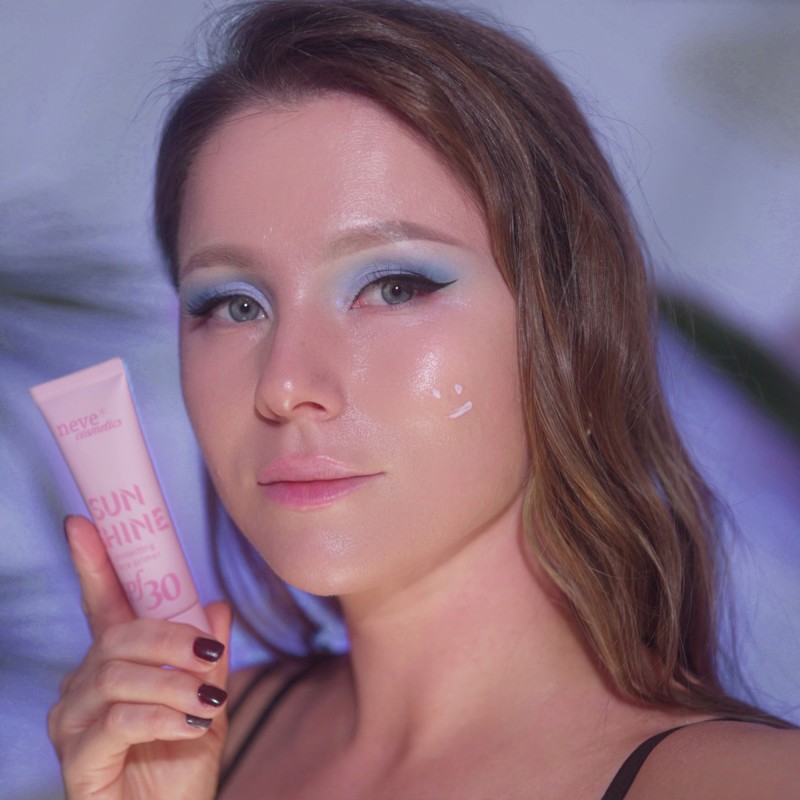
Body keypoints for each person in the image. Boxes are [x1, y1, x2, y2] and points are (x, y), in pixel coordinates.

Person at [48, 1, 799, 797]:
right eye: (235, 304)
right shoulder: (182, 748)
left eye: (394, 286)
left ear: (569, 331)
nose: (284, 385)